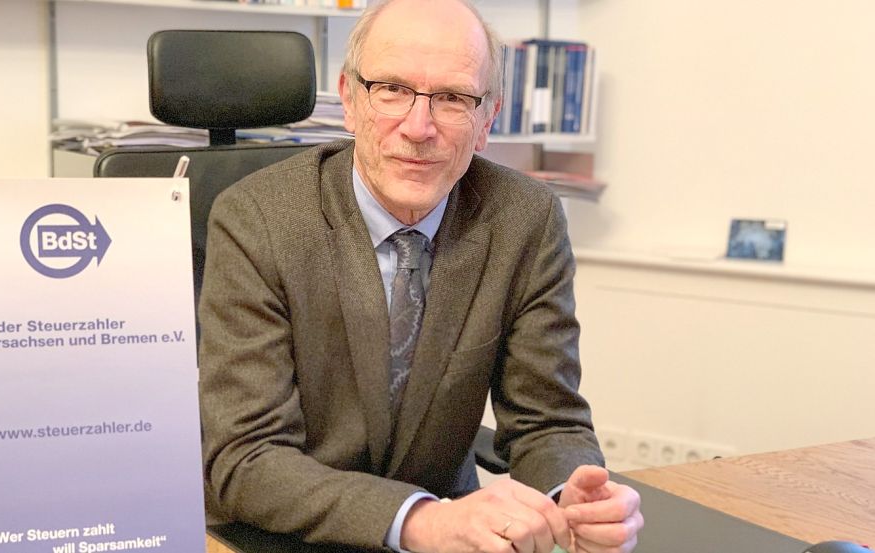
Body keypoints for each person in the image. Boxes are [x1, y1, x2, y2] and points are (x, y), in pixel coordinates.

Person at [198, 0, 644, 551]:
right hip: (275, 534)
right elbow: (247, 457)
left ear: (487, 120)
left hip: (451, 535)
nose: (419, 127)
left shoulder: (525, 219)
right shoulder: (258, 218)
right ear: (351, 100)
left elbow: (548, 418)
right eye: (392, 89)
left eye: (453, 98)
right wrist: (420, 520)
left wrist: (571, 495)